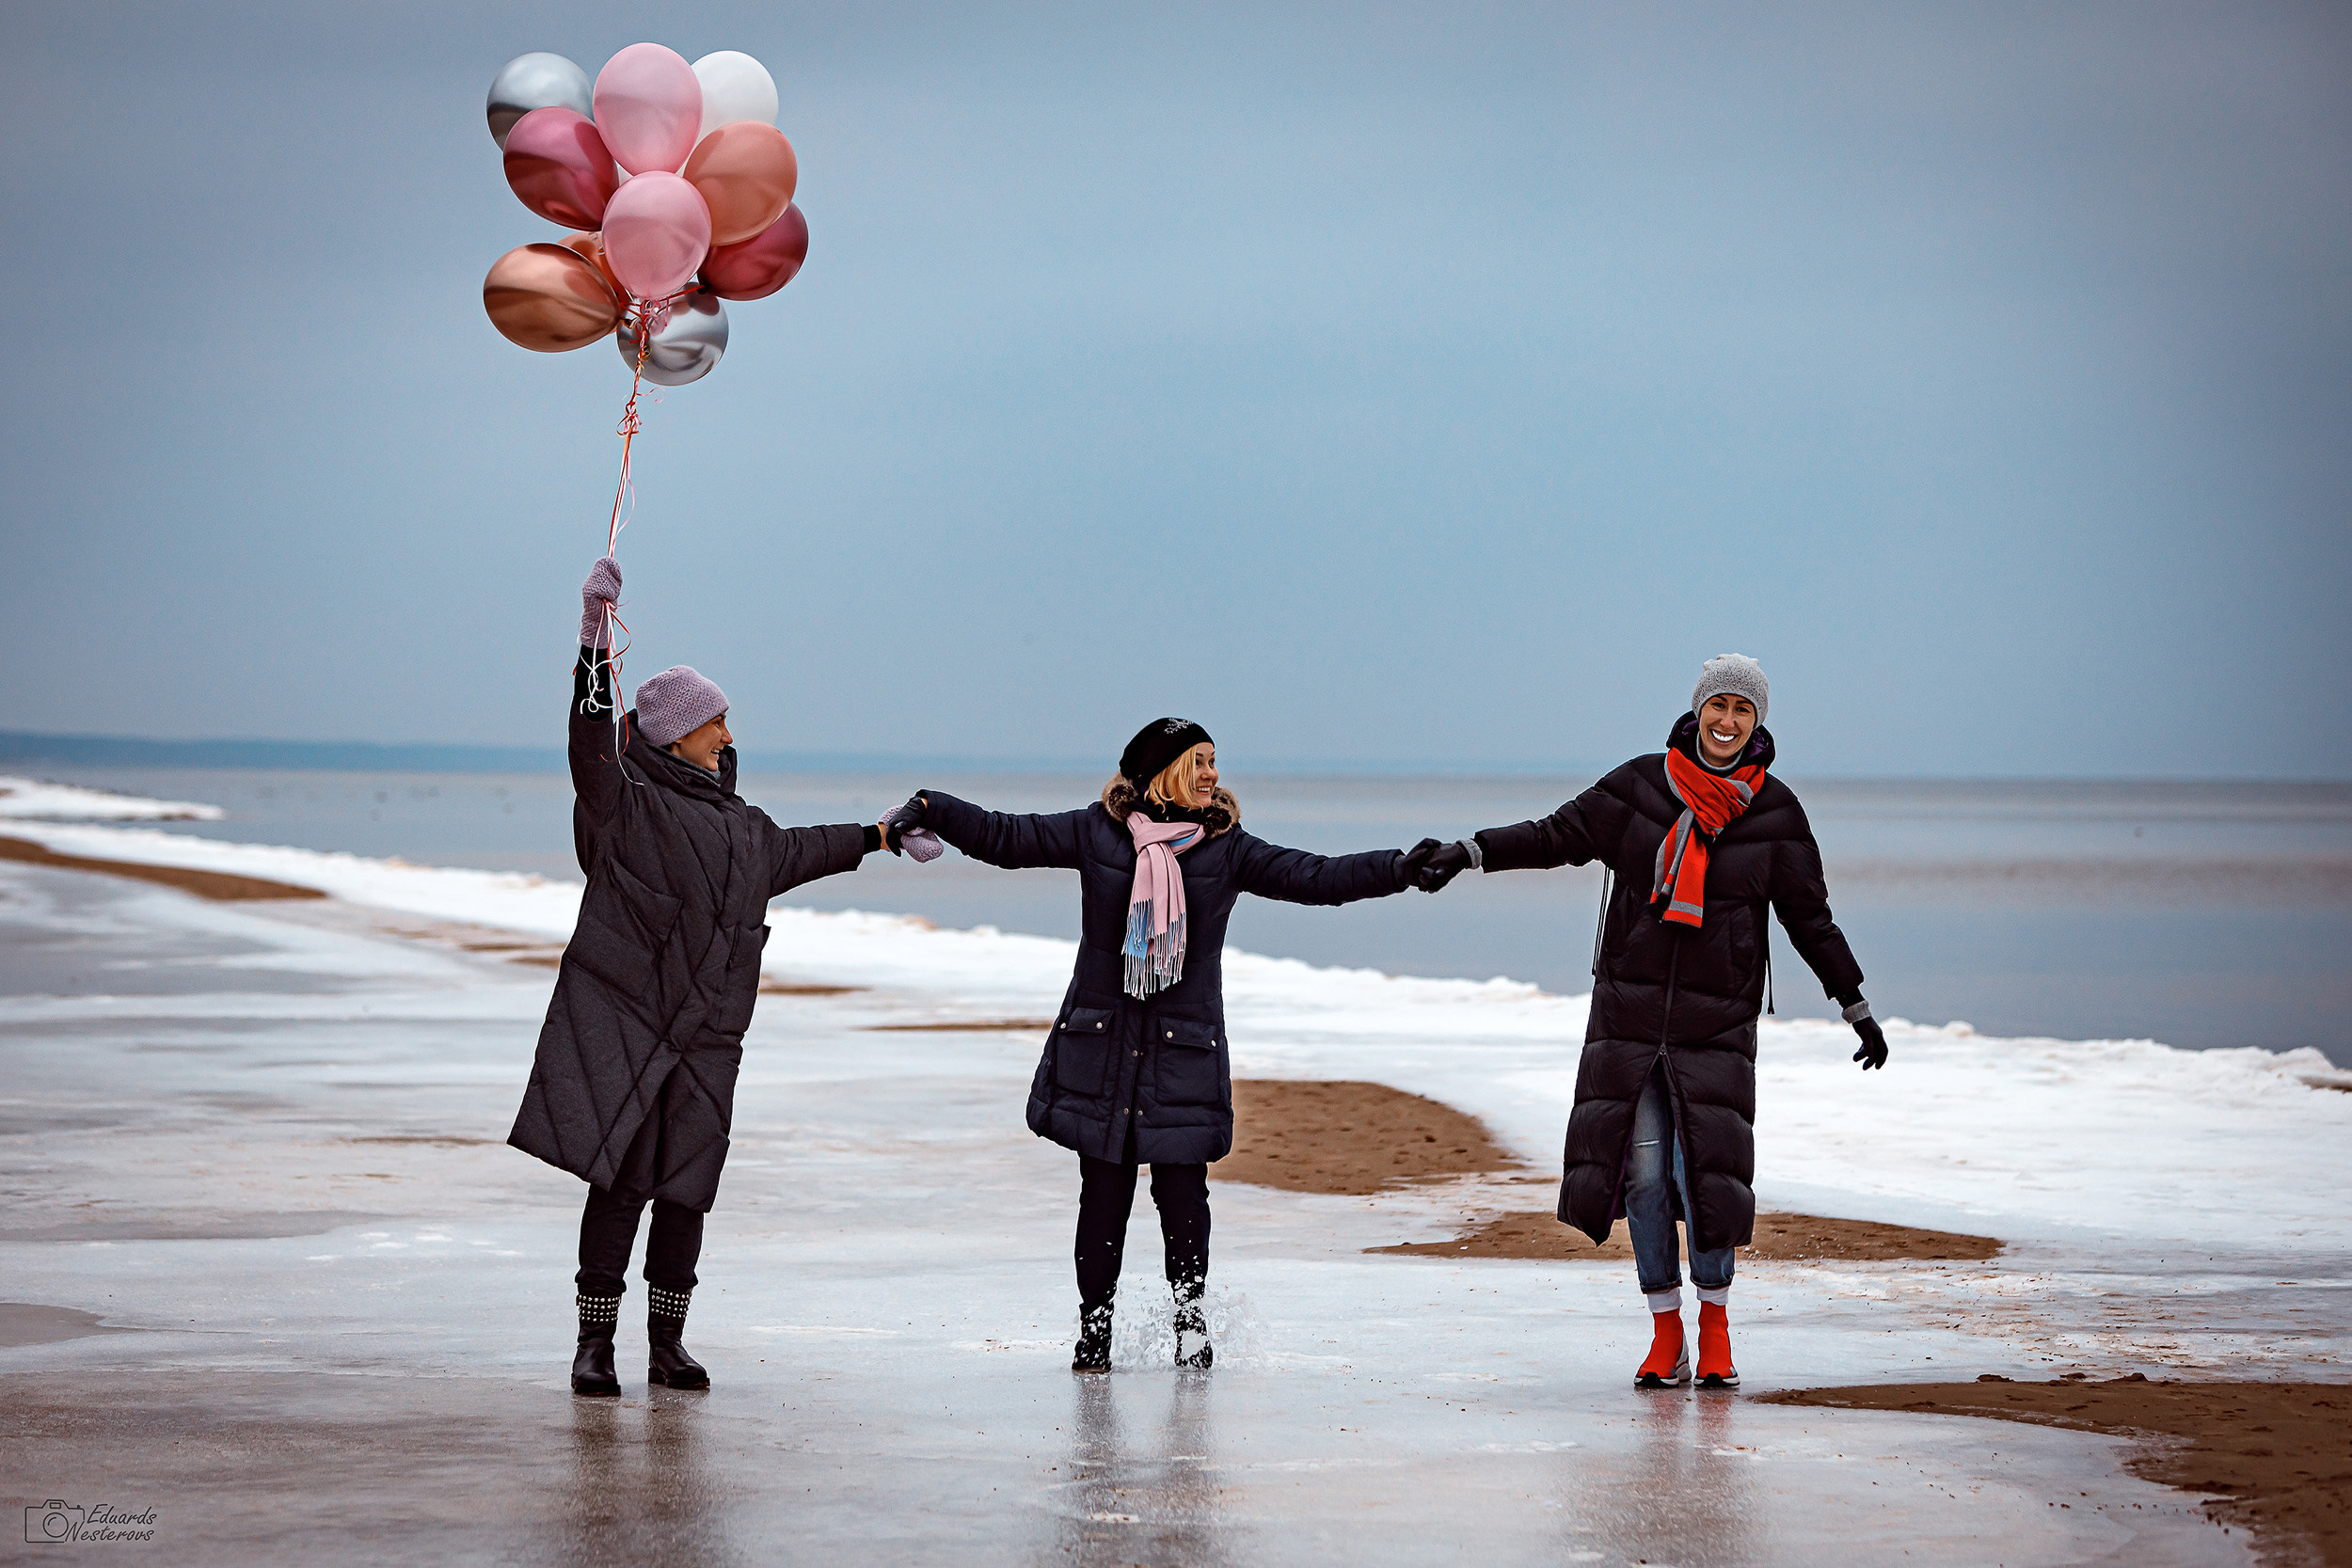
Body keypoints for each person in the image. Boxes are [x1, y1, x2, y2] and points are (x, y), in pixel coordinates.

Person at [884, 721, 1441, 1371]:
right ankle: (1095, 1331)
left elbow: (1317, 876)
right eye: (1198, 761)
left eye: (1213, 761)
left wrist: (1402, 867)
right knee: (1104, 1193)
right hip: (1103, 1046)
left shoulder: (1227, 849)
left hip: (1183, 1052)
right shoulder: (1097, 831)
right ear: (1162, 771)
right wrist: (931, 808)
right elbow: (1007, 836)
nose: (1212, 774)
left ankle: (1190, 1322)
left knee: (1182, 1194)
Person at [1417, 655, 1887, 1391]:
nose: (1728, 722)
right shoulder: (1639, 788)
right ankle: (1666, 1332)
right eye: (1718, 706)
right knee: (1640, 1175)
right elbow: (1552, 836)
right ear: (1697, 710)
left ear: (1758, 722)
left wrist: (1853, 1002)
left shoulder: (1776, 815)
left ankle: (1716, 1323)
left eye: (1743, 710)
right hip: (1630, 1020)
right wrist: (1469, 851)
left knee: (1704, 1175)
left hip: (1717, 1026)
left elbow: (1810, 919)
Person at [508, 557, 919, 1398]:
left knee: (686, 1195)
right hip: (633, 1025)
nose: (729, 733)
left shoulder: (744, 828)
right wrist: (594, 642)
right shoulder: (627, 804)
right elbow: (589, 745)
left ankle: (669, 1343)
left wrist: (879, 834)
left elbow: (805, 849)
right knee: (620, 1186)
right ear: (677, 734)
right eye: (717, 721)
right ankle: (595, 1346)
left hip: (710, 1042)